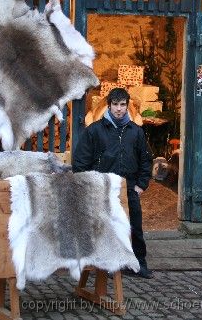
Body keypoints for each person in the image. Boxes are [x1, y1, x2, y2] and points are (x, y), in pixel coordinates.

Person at [73, 87, 154, 279]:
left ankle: (138, 264)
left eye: (122, 105)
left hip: (129, 186)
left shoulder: (136, 132)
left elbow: (146, 159)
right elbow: (80, 162)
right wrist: (90, 185)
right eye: (115, 105)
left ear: (128, 107)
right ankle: (105, 264)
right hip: (103, 188)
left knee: (134, 226)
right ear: (108, 106)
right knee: (104, 226)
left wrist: (141, 184)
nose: (119, 109)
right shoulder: (94, 131)